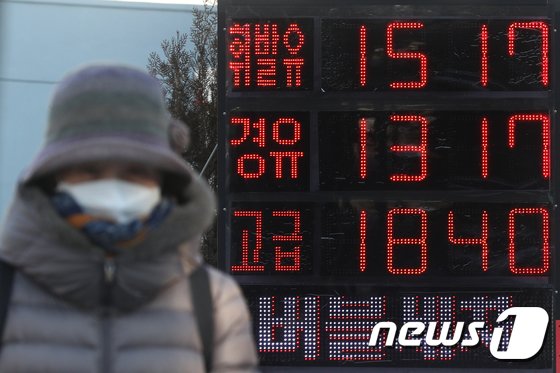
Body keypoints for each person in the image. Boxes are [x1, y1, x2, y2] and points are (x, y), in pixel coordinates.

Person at [0, 63, 259, 372]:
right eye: (90, 170)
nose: (113, 187)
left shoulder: (215, 303)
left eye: (135, 171)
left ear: (162, 181)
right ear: (55, 177)